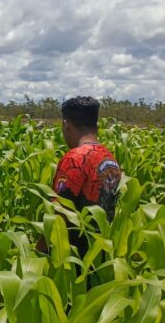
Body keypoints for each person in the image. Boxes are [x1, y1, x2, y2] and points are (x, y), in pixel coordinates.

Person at [38, 96, 122, 258]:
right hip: (100, 255)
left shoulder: (74, 159)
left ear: (66, 125)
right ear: (96, 126)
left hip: (72, 259)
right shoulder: (109, 158)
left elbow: (59, 215)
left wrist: (39, 252)